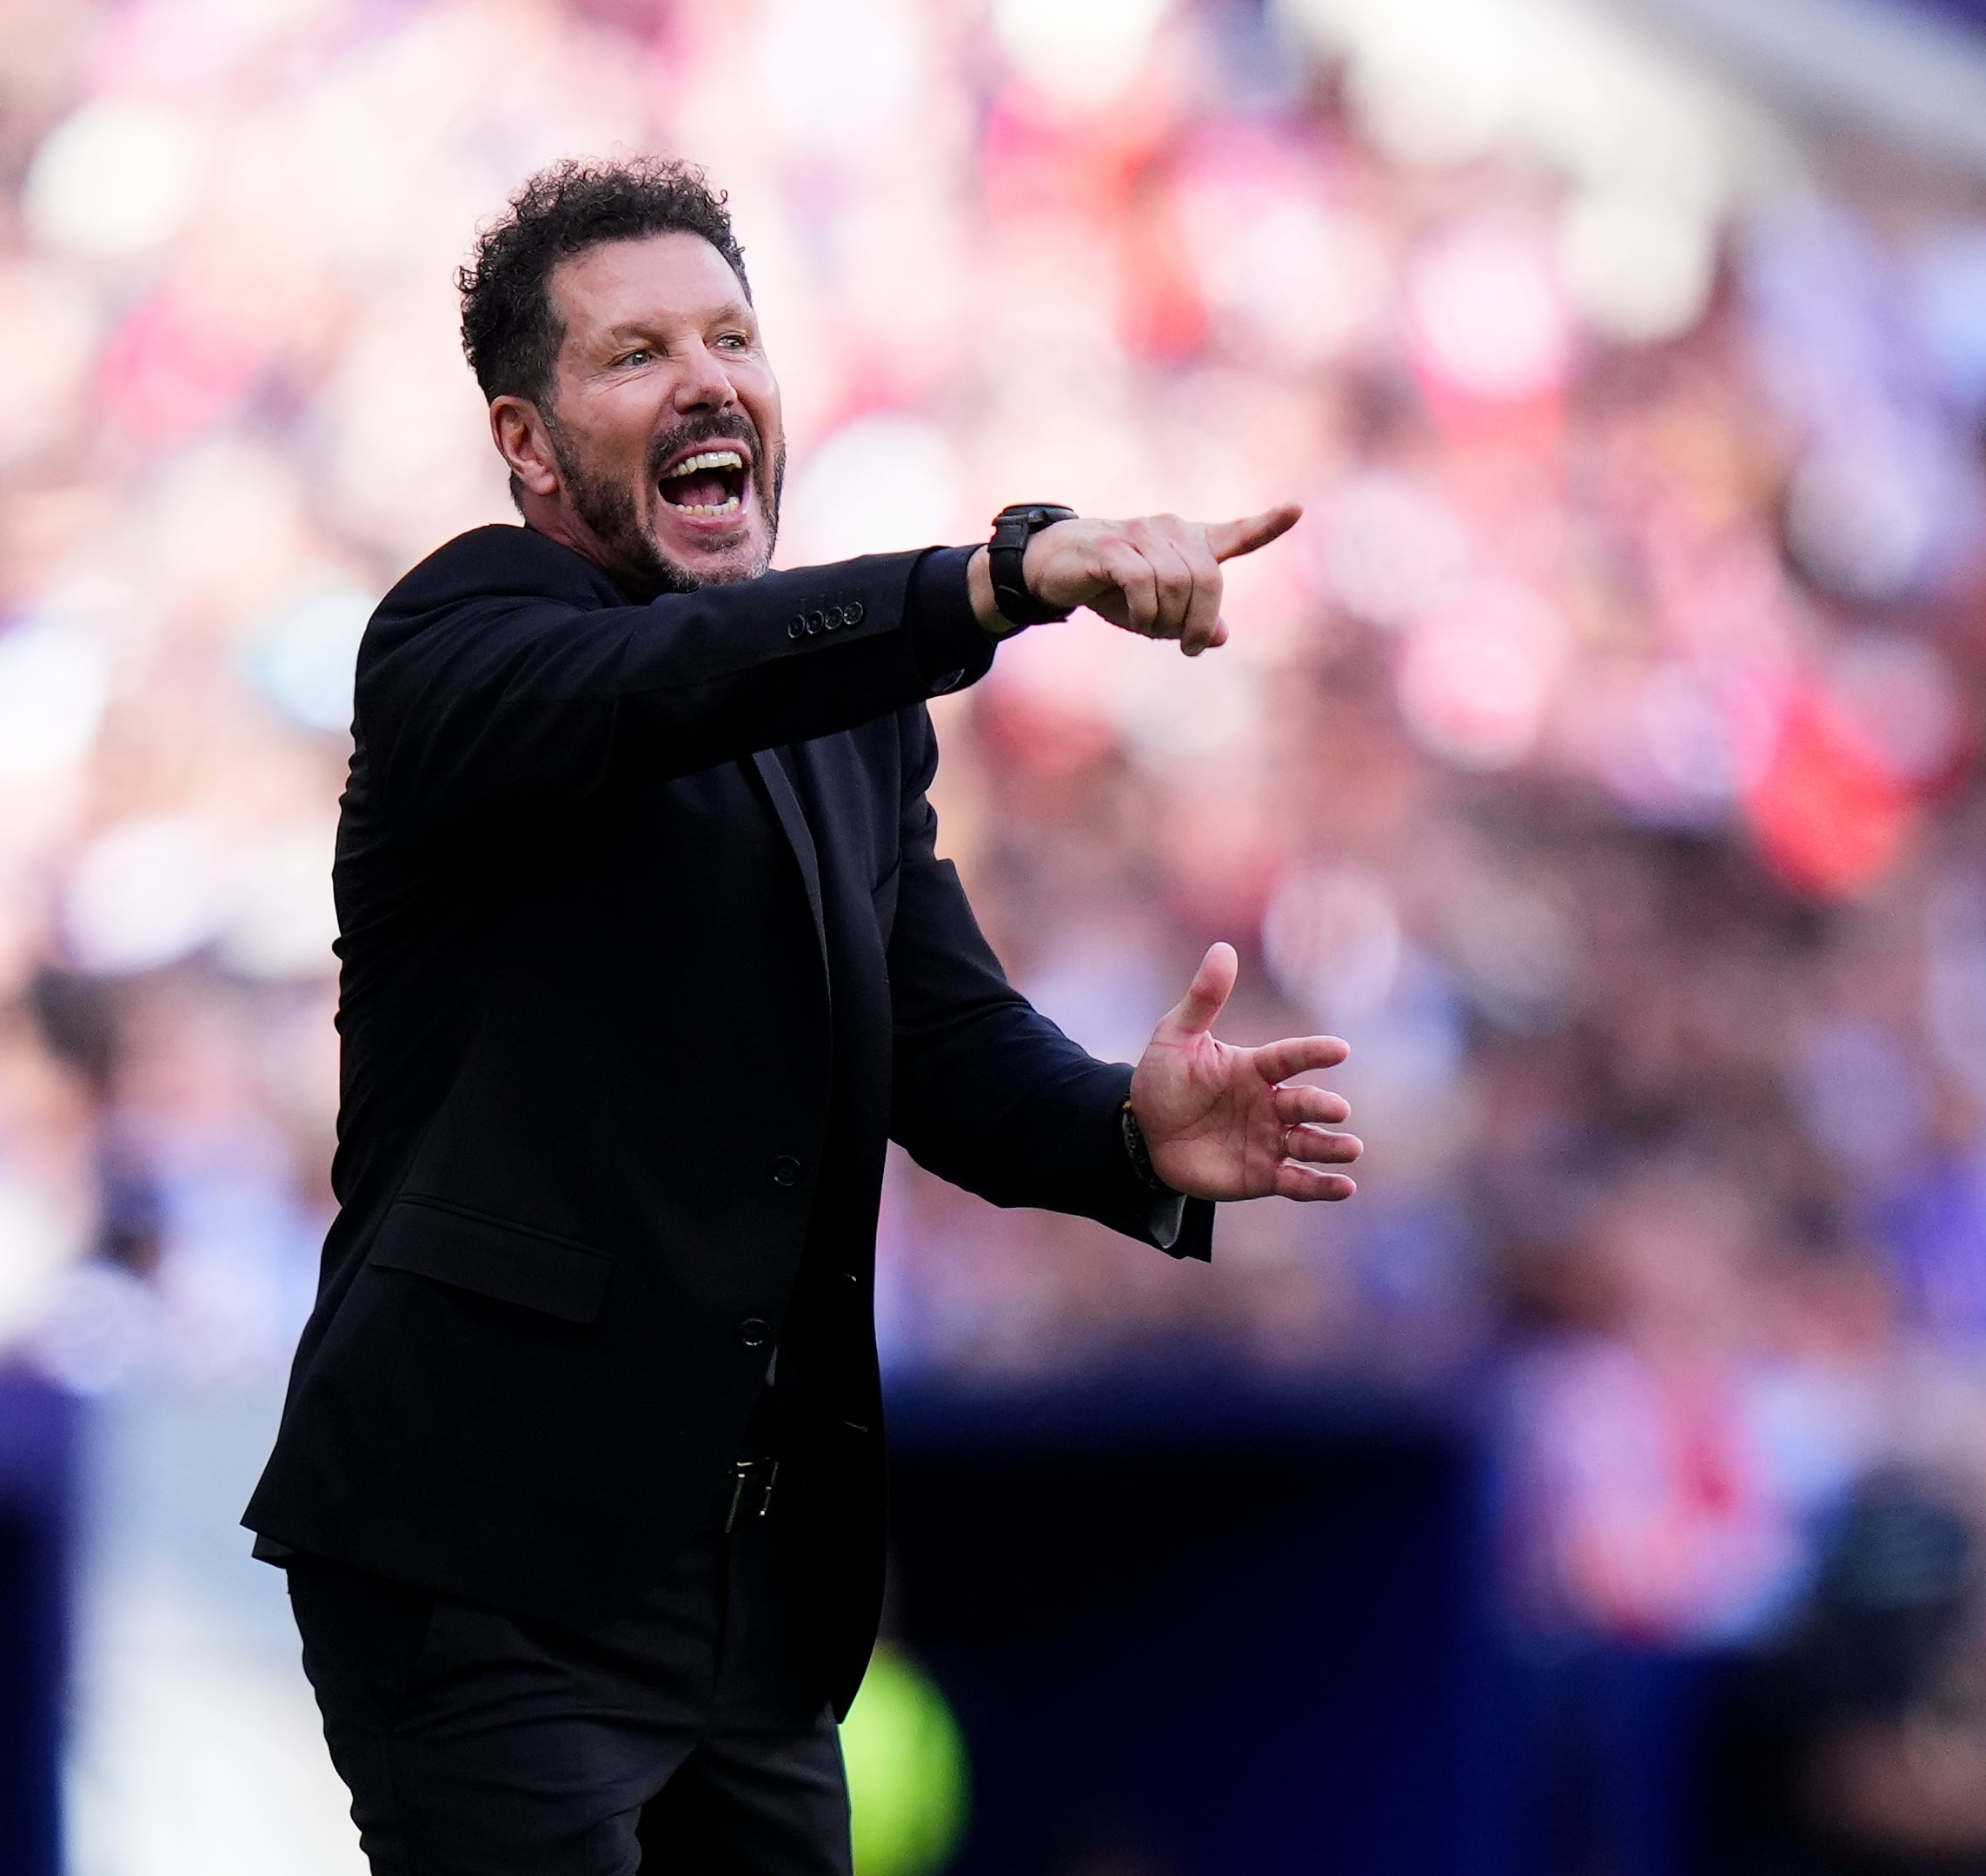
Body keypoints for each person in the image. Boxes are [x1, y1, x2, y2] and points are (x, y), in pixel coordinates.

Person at [243, 156, 1363, 1875]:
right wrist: (992, 580)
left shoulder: (852, 719)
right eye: (634, 355)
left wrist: (1130, 1131)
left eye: (732, 337)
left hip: (751, 1600)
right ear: (528, 446)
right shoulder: (460, 634)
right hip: (490, 1564)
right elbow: (670, 682)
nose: (705, 381)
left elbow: (949, 1054)